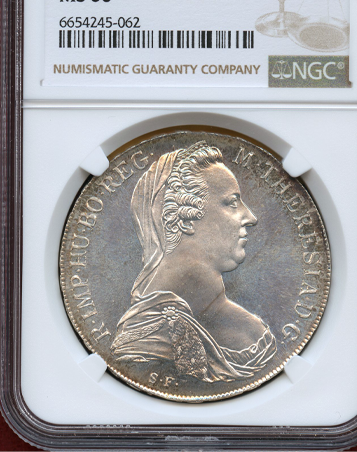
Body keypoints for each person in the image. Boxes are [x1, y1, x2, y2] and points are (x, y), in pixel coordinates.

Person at [110, 141, 277, 383]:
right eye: (232, 203)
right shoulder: (142, 341)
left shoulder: (254, 333)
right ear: (185, 219)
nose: (251, 217)